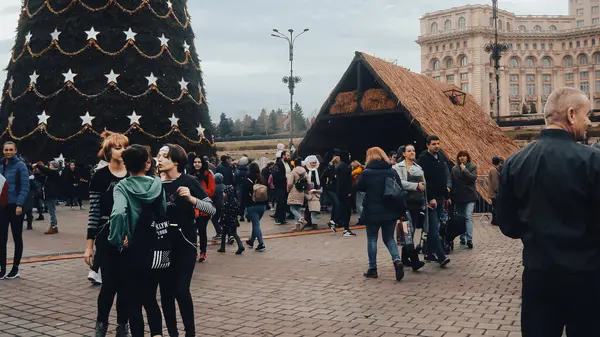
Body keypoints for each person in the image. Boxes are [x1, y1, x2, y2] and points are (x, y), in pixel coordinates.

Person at [497, 87, 599, 336]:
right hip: (586, 276)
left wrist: (536, 235)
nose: (589, 122)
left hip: (539, 274)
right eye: (588, 115)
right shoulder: (593, 161)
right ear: (572, 115)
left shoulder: (514, 162)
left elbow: (507, 223)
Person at [157, 144, 215, 337]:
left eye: (164, 156)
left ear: (175, 161)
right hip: (162, 244)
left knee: (181, 291)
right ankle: (172, 333)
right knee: (165, 292)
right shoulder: (153, 184)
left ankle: (190, 332)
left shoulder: (189, 181)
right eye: (158, 156)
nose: (159, 159)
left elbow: (211, 209)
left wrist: (192, 200)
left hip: (185, 243)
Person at [108, 145, 166, 337]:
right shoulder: (158, 185)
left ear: (126, 164)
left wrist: (117, 238)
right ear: (146, 163)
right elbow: (162, 214)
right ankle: (157, 334)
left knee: (133, 301)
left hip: (132, 250)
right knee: (151, 299)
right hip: (154, 248)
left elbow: (117, 214)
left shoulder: (122, 187)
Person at [83, 131, 130, 336]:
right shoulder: (100, 177)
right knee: (109, 284)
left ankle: (123, 324)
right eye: (118, 147)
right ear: (108, 151)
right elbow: (94, 212)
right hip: (106, 233)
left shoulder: (133, 174)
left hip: (130, 236)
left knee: (126, 284)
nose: (122, 151)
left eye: (125, 147)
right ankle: (101, 324)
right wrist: (88, 245)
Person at [356, 147, 405, 281]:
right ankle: (397, 260)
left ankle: (373, 269)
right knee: (389, 238)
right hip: (390, 211)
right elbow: (399, 189)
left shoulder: (367, 173)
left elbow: (359, 187)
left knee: (372, 239)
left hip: (372, 211)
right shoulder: (392, 171)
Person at [417, 136, 451, 267]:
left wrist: (447, 195)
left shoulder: (441, 157)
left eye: (438, 143)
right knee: (433, 227)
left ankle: (429, 252)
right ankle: (441, 256)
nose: (436, 146)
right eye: (433, 144)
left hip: (440, 197)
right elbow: (424, 180)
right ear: (427, 145)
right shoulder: (423, 159)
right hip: (430, 198)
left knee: (436, 226)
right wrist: (429, 197)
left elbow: (443, 178)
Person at [393, 144, 426, 271]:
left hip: (417, 203)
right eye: (409, 151)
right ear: (404, 154)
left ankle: (404, 259)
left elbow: (424, 184)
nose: (412, 152)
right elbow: (399, 182)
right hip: (404, 203)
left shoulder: (419, 168)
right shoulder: (397, 167)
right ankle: (415, 260)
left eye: (413, 150)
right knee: (407, 230)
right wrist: (416, 185)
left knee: (409, 232)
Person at [0, 141, 30, 280]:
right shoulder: (1, 165)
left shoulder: (20, 165)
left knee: (17, 237)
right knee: (2, 238)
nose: (8, 152)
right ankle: (2, 268)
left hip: (15, 206)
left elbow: (25, 186)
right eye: (6, 149)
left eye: (11, 149)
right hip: (2, 205)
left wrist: (19, 204)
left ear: (15, 150)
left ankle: (15, 267)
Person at [188, 155, 215, 262]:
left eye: (199, 162)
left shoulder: (208, 175)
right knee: (192, 231)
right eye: (195, 162)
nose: (197, 164)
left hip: (203, 208)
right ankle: (193, 251)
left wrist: (200, 194)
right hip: (192, 208)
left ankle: (203, 252)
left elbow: (212, 190)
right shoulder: (190, 175)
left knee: (202, 231)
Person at [451, 150, 477, 249]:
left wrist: (464, 170)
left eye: (464, 156)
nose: (462, 158)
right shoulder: (454, 168)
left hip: (469, 196)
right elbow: (452, 180)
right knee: (461, 217)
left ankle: (469, 239)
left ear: (467, 157)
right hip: (459, 196)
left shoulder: (472, 167)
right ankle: (462, 237)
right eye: (460, 156)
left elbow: (473, 178)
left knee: (468, 216)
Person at [242, 162, 268, 251]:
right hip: (262, 205)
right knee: (255, 224)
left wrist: (242, 209)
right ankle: (252, 241)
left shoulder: (247, 180)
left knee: (256, 224)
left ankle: (261, 244)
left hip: (252, 206)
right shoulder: (262, 179)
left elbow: (243, 195)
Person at [32, 161, 61, 235]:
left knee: (52, 211)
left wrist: (37, 165)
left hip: (52, 194)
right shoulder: (50, 174)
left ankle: (53, 226)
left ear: (54, 166)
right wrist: (36, 173)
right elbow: (42, 179)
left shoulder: (54, 172)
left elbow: (46, 170)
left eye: (51, 165)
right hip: (49, 194)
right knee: (51, 210)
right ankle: (54, 225)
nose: (49, 166)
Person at [217, 185, 245, 254]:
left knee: (224, 233)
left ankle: (223, 247)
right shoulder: (235, 200)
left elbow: (223, 212)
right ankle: (239, 245)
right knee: (234, 233)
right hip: (233, 220)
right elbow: (238, 210)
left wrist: (221, 220)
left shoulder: (225, 202)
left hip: (226, 220)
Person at [336, 151, 356, 237]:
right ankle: (346, 229)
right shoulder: (345, 167)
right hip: (345, 192)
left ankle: (344, 227)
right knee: (346, 211)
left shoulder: (340, 166)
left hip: (341, 191)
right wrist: (348, 191)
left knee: (344, 209)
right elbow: (346, 181)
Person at [287, 159, 308, 232]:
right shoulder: (305, 172)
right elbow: (308, 182)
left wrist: (288, 190)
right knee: (298, 209)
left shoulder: (293, 172)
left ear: (294, 164)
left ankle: (302, 220)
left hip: (293, 191)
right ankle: (297, 226)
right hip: (301, 191)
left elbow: (289, 183)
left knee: (292, 209)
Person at [303, 155, 322, 230]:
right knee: (308, 207)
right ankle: (309, 221)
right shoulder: (306, 171)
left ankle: (312, 222)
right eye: (312, 163)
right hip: (308, 191)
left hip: (315, 191)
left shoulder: (318, 171)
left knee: (313, 208)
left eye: (315, 163)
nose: (314, 164)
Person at [272, 151, 290, 225]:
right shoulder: (278, 164)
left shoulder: (287, 164)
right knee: (280, 202)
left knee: (285, 202)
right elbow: (276, 175)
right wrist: (286, 178)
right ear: (283, 156)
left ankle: (283, 218)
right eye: (287, 155)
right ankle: (278, 218)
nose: (289, 157)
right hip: (280, 186)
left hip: (287, 186)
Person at [488, 156, 502, 226]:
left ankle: (495, 220)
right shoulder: (493, 170)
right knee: (496, 207)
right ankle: (495, 220)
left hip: (493, 192)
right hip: (494, 193)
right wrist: (497, 190)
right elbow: (495, 182)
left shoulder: (493, 169)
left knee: (495, 206)